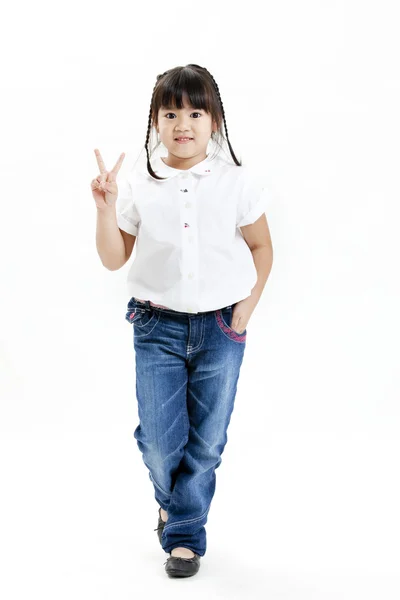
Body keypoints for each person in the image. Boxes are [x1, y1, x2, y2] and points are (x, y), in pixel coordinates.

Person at [92, 64, 273, 578]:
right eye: (170, 113)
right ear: (155, 121)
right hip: (157, 328)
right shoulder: (140, 183)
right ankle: (174, 504)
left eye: (196, 112)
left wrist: (246, 308)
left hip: (221, 329)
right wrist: (106, 211)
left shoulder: (236, 181)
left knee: (208, 440)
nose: (183, 123)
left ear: (215, 120)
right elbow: (113, 259)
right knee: (159, 440)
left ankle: (184, 534)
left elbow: (262, 247)